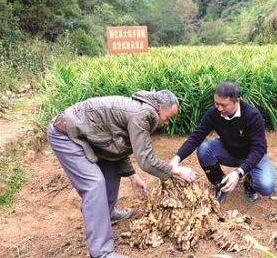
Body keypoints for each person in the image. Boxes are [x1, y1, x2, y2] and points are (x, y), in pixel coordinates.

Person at [47, 90, 197, 258]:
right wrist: (175, 170)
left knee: (112, 168)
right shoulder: (142, 114)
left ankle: (106, 212)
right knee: (94, 184)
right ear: (160, 107)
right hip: (66, 134)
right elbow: (146, 160)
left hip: (88, 134)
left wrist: (132, 175)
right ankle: (101, 252)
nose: (166, 122)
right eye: (167, 117)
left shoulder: (142, 110)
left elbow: (117, 146)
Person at [170, 80, 277, 203]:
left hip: (252, 156)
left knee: (266, 186)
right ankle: (221, 183)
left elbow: (259, 149)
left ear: (237, 100)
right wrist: (176, 159)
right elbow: (196, 136)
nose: (219, 108)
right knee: (204, 149)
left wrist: (239, 173)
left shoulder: (252, 116)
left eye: (224, 105)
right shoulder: (213, 113)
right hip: (228, 150)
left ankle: (249, 182)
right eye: (216, 103)